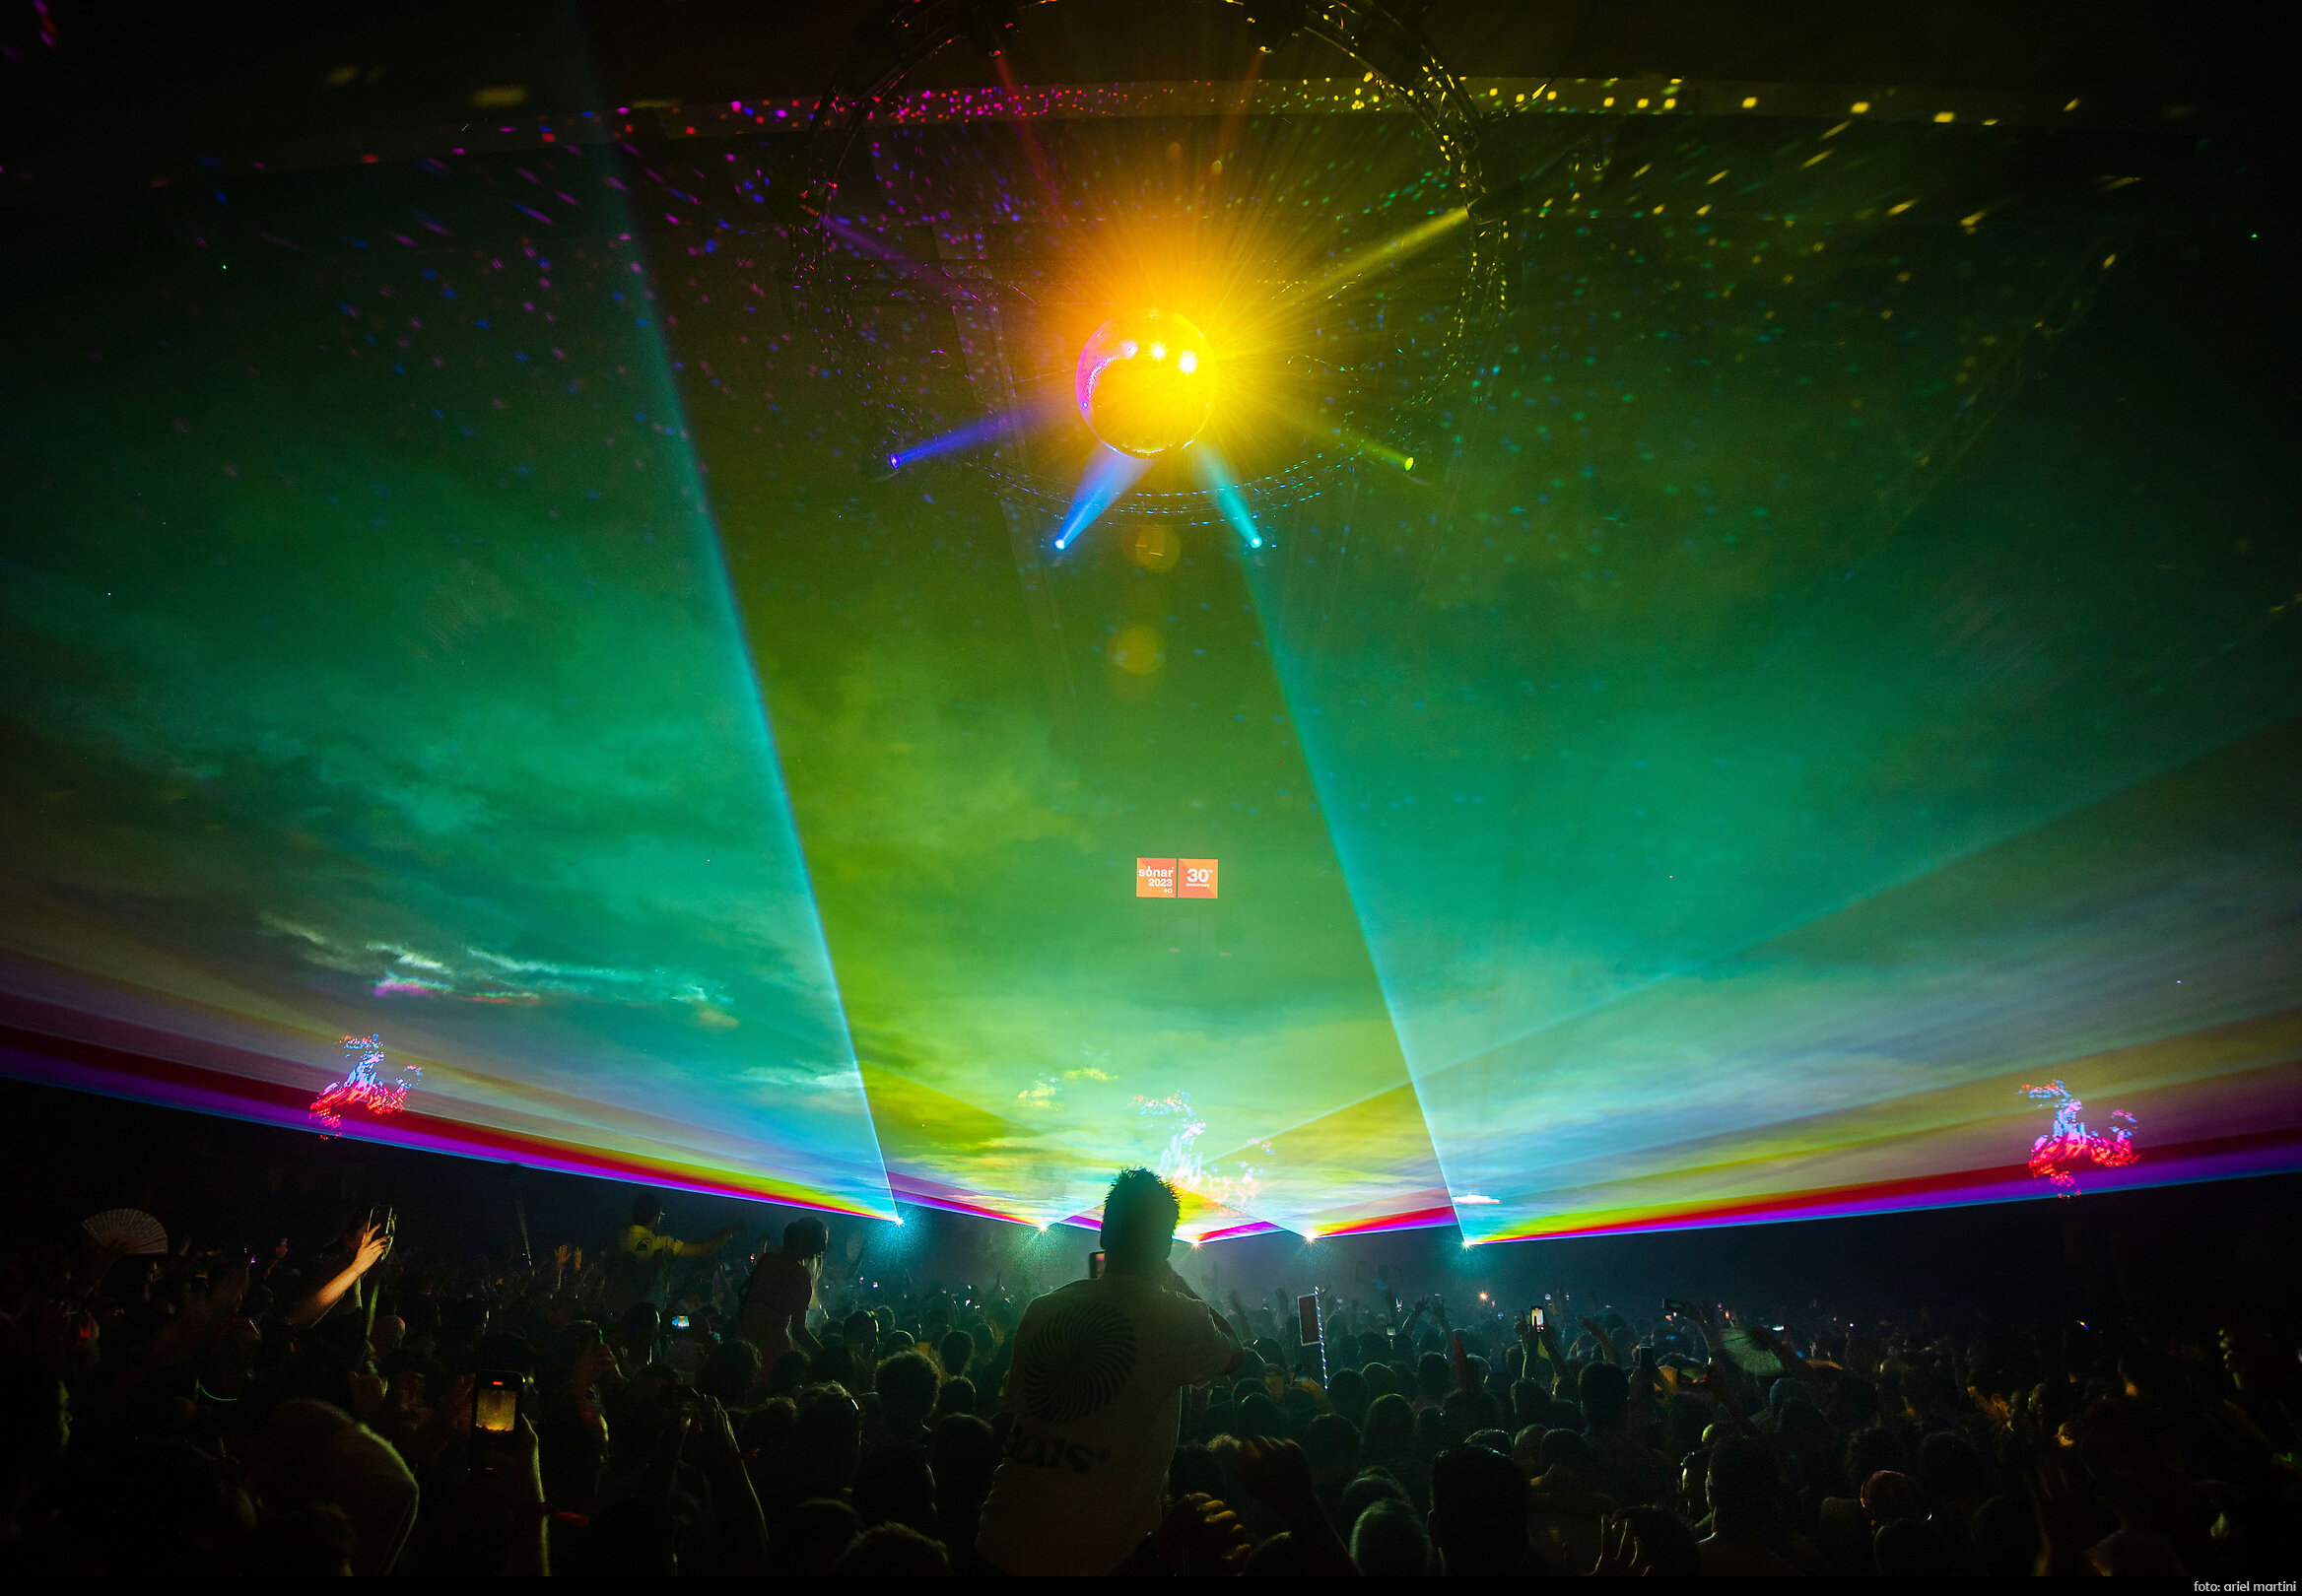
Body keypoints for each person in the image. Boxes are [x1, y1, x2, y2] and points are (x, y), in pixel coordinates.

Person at [973, 1168, 1242, 1575]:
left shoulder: (1043, 1309)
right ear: (1165, 1247)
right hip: (1100, 1557)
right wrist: (1174, 1281)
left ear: (1103, 1233)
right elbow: (1235, 1353)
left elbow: (1013, 1418)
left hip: (1000, 1541)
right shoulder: (1176, 1316)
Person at [599, 1196, 737, 1316]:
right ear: (656, 1218)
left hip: (612, 1315)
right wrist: (727, 1232)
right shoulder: (663, 1245)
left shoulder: (615, 1240)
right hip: (646, 1318)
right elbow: (704, 1250)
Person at [735, 1218, 831, 1377]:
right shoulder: (799, 1275)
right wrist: (827, 1358)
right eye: (822, 1241)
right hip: (772, 1349)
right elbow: (799, 1331)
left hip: (743, 1341)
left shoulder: (768, 1260)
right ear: (808, 1240)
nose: (824, 1248)